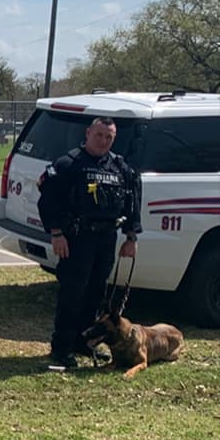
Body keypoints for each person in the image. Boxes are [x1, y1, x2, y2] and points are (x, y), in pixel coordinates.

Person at [37, 116, 141, 369]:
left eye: (109, 137)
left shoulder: (119, 167)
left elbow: (132, 201)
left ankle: (83, 341)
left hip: (106, 238)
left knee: (96, 293)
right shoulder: (68, 164)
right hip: (76, 238)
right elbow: (48, 201)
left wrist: (131, 237)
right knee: (73, 293)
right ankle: (61, 346)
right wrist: (56, 233)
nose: (103, 140)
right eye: (99, 135)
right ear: (88, 133)